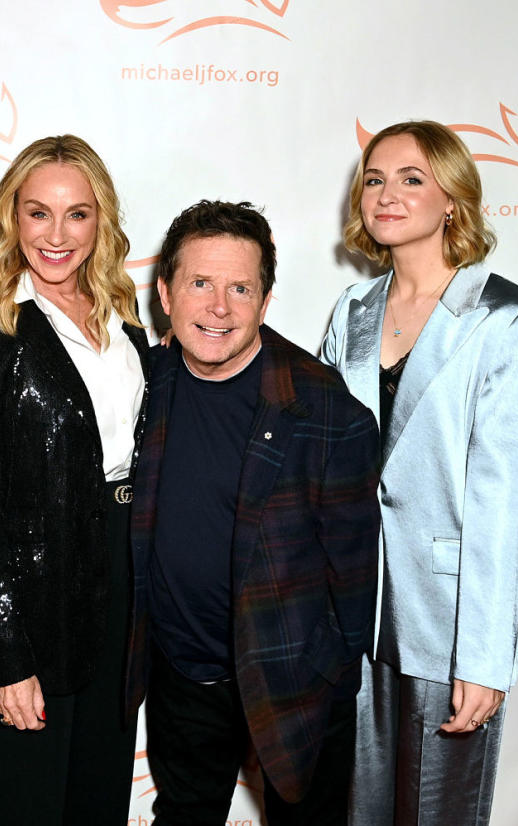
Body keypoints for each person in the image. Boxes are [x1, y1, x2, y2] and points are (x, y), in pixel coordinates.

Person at [321, 121, 518, 825]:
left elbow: (501, 497)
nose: (387, 194)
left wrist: (484, 658)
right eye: (374, 179)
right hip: (349, 611)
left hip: (448, 621)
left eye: (411, 178)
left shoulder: (510, 319)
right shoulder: (353, 312)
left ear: (452, 197)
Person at [126, 199, 381, 825]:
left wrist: (329, 677)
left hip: (292, 676)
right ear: (165, 294)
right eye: (200, 284)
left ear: (265, 301)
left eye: (240, 288)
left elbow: (354, 577)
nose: (219, 307)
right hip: (182, 674)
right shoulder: (141, 382)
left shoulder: (324, 410)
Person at [0, 134, 149, 825]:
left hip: (123, 582)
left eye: (77, 214)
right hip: (33, 591)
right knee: (21, 801)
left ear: (102, 220)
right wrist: (0, 650)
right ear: (12, 219)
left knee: (99, 796)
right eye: (38, 213)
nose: (57, 235)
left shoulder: (128, 326)